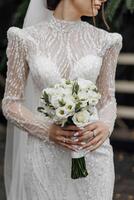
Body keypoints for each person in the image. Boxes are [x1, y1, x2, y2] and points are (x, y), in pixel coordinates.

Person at [2, 0, 123, 199]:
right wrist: (46, 130)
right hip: (44, 152)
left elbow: (108, 98)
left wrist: (106, 125)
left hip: (92, 151)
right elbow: (11, 103)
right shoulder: (25, 39)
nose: (103, 0)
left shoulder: (106, 40)